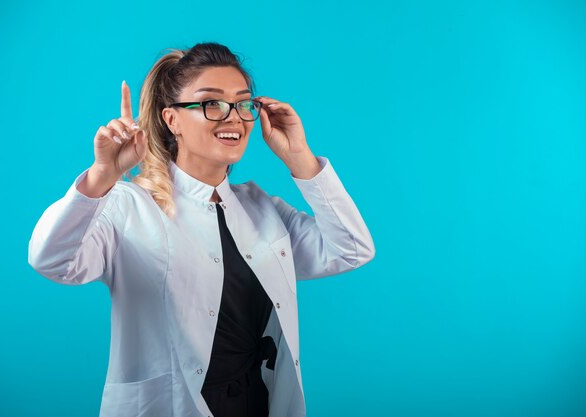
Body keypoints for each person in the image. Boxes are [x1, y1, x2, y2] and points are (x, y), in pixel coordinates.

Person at [28, 42, 375, 417]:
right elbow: (53, 260)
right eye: (212, 103)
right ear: (171, 120)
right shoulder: (128, 205)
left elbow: (352, 249)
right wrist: (101, 177)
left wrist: (300, 157)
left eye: (243, 104)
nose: (233, 118)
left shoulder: (261, 207)